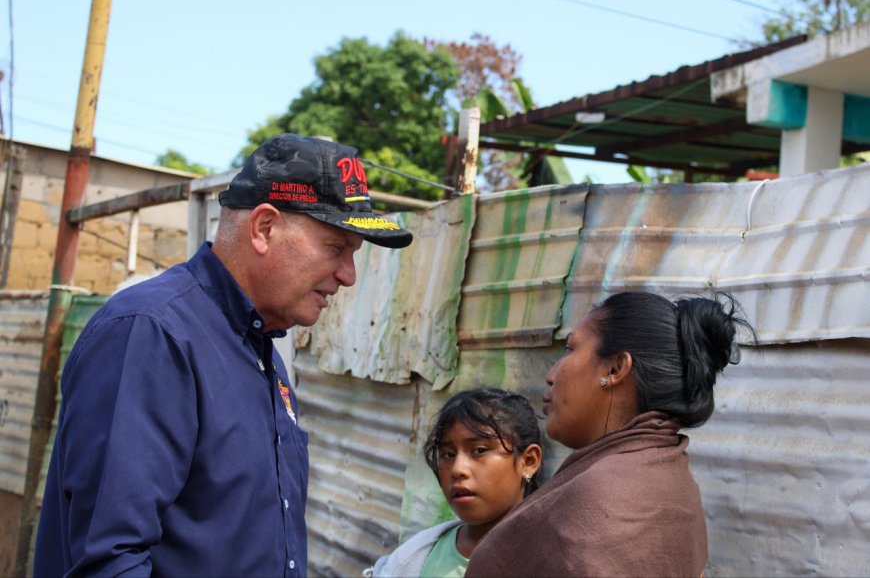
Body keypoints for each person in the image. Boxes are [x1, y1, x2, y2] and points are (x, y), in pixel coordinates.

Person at [34, 133, 413, 577]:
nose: (348, 276)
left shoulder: (260, 350)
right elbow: (110, 561)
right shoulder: (152, 334)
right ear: (264, 228)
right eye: (336, 248)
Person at [466, 291, 754, 578]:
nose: (550, 375)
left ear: (615, 369)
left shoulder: (597, 498)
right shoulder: (674, 478)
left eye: (569, 349)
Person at [368, 388, 543, 578]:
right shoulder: (412, 558)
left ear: (528, 462)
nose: (457, 469)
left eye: (479, 450)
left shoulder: (551, 557)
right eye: (448, 455)